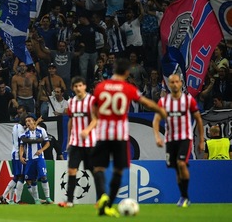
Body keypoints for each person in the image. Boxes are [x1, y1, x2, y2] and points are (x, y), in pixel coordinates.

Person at [92, 58, 167, 217]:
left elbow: (94, 108)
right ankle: (109, 203)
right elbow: (146, 102)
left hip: (103, 133)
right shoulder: (128, 88)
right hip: (119, 135)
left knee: (98, 168)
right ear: (127, 72)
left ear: (113, 69)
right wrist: (160, 110)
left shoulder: (101, 87)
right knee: (118, 170)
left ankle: (102, 197)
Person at [153, 74, 205, 208]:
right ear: (169, 85)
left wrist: (201, 140)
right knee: (177, 169)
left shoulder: (188, 101)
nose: (175, 84)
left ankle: (185, 197)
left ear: (181, 83)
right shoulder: (164, 102)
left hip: (185, 138)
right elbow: (156, 120)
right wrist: (157, 137)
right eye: (172, 82)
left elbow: (199, 119)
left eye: (177, 82)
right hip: (170, 140)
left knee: (181, 164)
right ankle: (183, 196)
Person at [58, 76, 97, 208]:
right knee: (71, 170)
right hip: (75, 143)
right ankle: (69, 201)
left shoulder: (91, 100)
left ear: (84, 86)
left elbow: (96, 119)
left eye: (80, 85)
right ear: (72, 88)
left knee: (94, 170)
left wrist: (87, 130)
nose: (78, 88)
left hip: (89, 142)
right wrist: (68, 140)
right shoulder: (72, 102)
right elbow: (70, 121)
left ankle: (102, 199)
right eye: (76, 86)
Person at [19, 115, 54, 204]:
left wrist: (41, 150)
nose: (27, 122)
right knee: (32, 180)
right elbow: (22, 146)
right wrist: (20, 156)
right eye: (26, 121)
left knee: (43, 176)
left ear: (34, 121)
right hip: (29, 159)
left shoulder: (41, 130)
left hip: (39, 158)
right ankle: (36, 199)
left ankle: (48, 198)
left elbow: (47, 143)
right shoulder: (24, 133)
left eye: (29, 120)